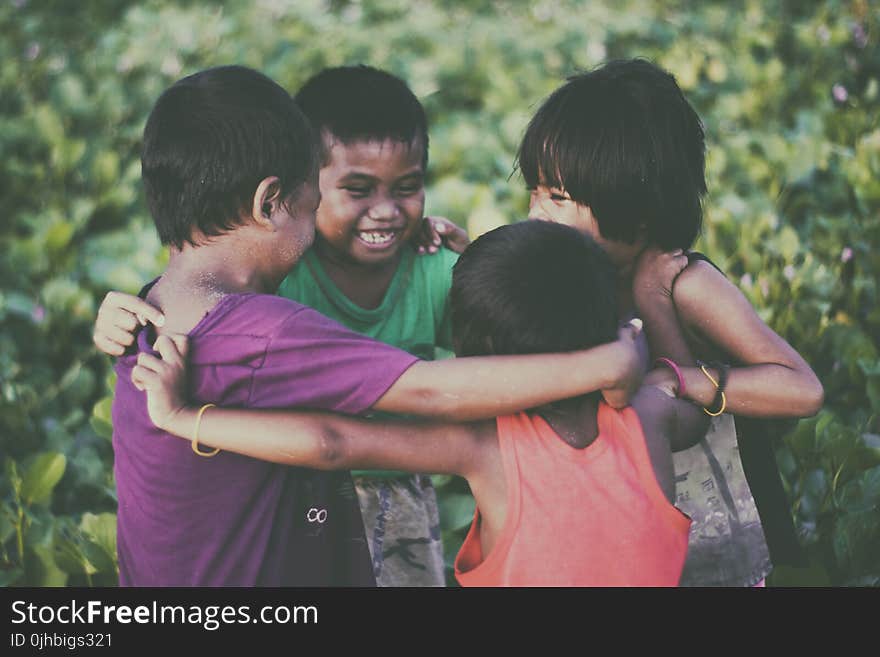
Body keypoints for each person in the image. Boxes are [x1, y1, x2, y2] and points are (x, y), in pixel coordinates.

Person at [110, 64, 644, 587]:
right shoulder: (263, 331)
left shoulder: (150, 309)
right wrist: (604, 363)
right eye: (312, 202)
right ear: (270, 202)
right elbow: (430, 391)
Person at [131, 221, 707, 587]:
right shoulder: (651, 415)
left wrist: (183, 418)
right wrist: (645, 316)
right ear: (607, 326)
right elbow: (684, 391)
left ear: (474, 353)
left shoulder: (485, 447)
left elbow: (331, 443)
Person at [517, 58, 824, 586]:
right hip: (630, 528)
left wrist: (682, 362)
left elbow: (802, 390)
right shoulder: (571, 276)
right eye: (536, 190)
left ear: (638, 220)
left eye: (558, 198)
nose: (535, 213)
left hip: (728, 529)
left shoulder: (689, 284)